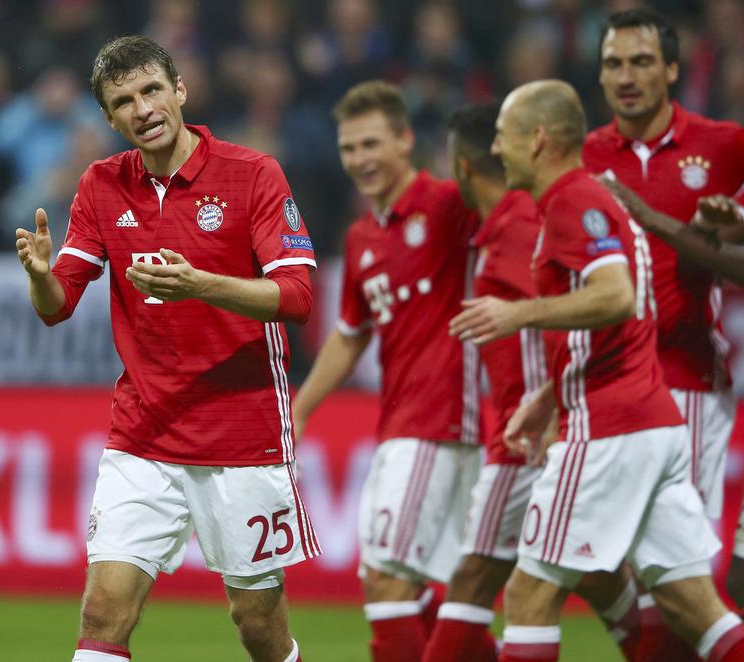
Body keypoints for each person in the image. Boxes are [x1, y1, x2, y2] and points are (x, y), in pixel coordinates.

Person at [14, 35, 319, 662]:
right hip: (144, 432)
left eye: (152, 90)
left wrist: (200, 285)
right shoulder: (101, 184)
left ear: (179, 90)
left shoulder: (252, 173)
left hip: (242, 431)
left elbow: (296, 296)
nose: (142, 109)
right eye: (123, 101)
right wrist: (42, 277)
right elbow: (58, 307)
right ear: (107, 117)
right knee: (102, 612)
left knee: (256, 623)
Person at [449, 79, 744, 662]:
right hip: (651, 424)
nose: (498, 151)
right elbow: (614, 324)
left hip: (610, 428)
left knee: (528, 596)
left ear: (536, 140)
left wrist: (520, 312)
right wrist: (550, 396)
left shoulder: (572, 202)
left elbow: (615, 297)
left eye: (505, 138)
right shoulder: (584, 200)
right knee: (698, 612)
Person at [422, 103, 640, 661]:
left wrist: (552, 413)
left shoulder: (521, 223)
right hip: (538, 427)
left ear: (462, 166)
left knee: (475, 576)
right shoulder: (507, 224)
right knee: (597, 578)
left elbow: (568, 311)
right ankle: (662, 648)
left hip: (528, 438)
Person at [290, 80, 481, 662]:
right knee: (436, 588)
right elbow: (350, 337)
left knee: (387, 576)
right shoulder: (363, 235)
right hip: (405, 422)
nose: (361, 160)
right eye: (350, 149)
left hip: (441, 418)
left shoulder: (451, 205)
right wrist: (297, 412)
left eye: (373, 144)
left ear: (405, 141)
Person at [584, 8, 744, 628]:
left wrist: (708, 231)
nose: (626, 76)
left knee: (681, 585)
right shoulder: (584, 154)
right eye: (614, 64)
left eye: (642, 61)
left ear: (673, 69)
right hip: (602, 389)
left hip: (688, 387)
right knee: (594, 566)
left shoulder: (725, 147)